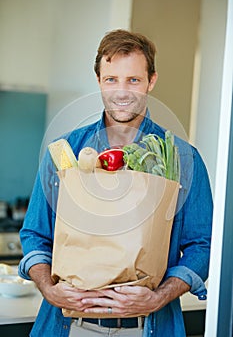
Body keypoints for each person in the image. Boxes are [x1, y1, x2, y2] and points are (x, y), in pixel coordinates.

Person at [18, 29, 213, 337]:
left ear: (151, 81)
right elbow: (34, 234)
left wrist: (158, 296)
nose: (122, 91)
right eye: (111, 80)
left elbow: (202, 245)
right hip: (67, 326)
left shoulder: (183, 158)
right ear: (98, 81)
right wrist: (48, 288)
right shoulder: (63, 151)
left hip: (149, 327)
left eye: (133, 80)